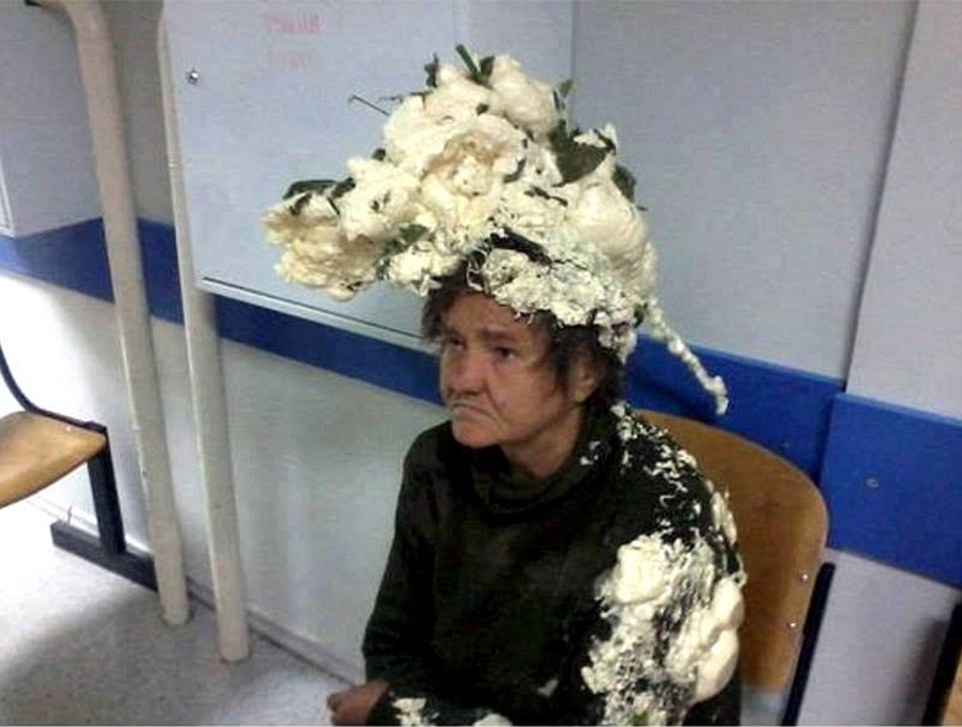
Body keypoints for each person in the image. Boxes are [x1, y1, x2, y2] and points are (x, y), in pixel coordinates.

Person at [263, 48, 745, 725]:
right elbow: (394, 642)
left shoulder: (658, 523)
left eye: (504, 350)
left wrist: (401, 716)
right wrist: (410, 709)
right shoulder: (438, 463)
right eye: (454, 342)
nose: (462, 377)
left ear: (584, 372)